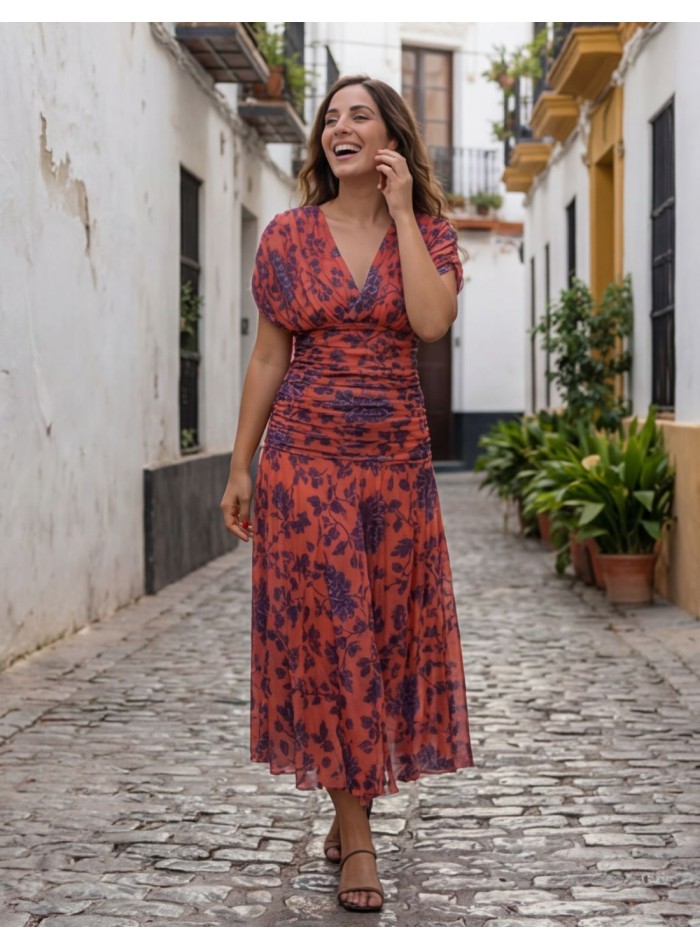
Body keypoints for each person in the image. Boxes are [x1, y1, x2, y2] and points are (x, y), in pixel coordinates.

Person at [220, 74, 473, 913]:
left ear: (391, 137)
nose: (340, 127)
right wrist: (241, 465)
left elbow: (431, 323)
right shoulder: (289, 236)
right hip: (306, 462)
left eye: (359, 115)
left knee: (383, 638)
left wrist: (402, 213)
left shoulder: (430, 235)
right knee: (333, 640)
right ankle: (358, 839)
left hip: (396, 466)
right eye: (331, 118)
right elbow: (269, 356)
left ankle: (346, 801)